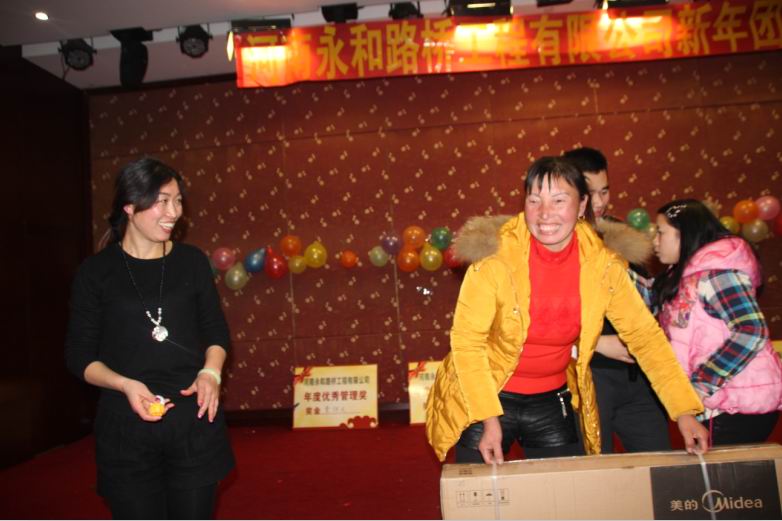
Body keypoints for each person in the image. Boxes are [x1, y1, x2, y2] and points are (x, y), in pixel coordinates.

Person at [425, 156, 709, 465]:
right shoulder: (495, 259)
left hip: (551, 398)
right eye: (534, 200)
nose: (545, 214)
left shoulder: (602, 265)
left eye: (559, 200)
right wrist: (488, 418)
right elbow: (468, 343)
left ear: (582, 204)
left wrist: (684, 410)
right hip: (485, 394)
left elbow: (645, 336)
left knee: (561, 488)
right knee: (478, 490)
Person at [65, 157, 235, 519]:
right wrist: (125, 385)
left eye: (178, 201)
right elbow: (80, 356)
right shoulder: (95, 272)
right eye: (162, 201)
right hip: (125, 425)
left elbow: (215, 331)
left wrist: (211, 373)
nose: (174, 212)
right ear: (129, 206)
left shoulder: (191, 261)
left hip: (193, 419)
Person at [647, 199, 782, 445]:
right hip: (719, 404)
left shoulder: (718, 274)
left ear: (684, 234)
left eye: (661, 232)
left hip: (735, 405)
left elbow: (751, 330)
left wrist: (700, 385)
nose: (655, 241)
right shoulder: (683, 277)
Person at [563, 146, 671, 454]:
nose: (599, 202)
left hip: (637, 375)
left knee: (659, 463)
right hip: (588, 375)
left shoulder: (622, 237)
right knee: (597, 469)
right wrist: (596, 343)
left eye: (604, 191)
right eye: (590, 193)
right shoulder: (554, 241)